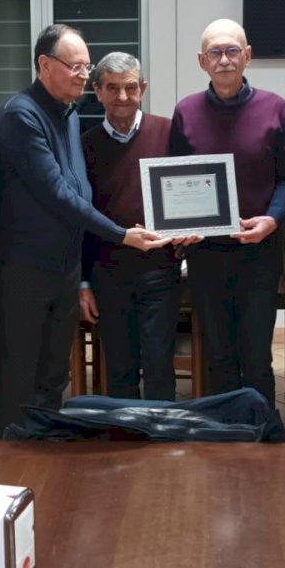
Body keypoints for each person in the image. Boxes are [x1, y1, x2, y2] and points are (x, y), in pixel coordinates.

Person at [0, 25, 167, 436]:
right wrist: (121, 234)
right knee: (19, 375)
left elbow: (78, 186)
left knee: (54, 374)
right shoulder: (21, 115)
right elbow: (58, 194)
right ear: (44, 65)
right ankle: (10, 457)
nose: (83, 75)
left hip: (64, 268)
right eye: (75, 66)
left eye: (86, 67)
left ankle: (43, 450)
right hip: (26, 270)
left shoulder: (68, 112)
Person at [169, 18, 285, 405]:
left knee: (256, 355)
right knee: (218, 354)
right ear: (201, 61)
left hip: (259, 253)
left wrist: (272, 220)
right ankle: (225, 431)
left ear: (248, 56)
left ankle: (260, 430)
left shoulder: (275, 108)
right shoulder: (186, 111)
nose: (224, 59)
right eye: (215, 52)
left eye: (232, 50)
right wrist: (180, 225)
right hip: (206, 255)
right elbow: (175, 180)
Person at [80, 52, 182, 401]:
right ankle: (125, 432)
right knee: (119, 368)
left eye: (130, 88)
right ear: (97, 91)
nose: (122, 97)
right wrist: (84, 282)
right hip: (108, 275)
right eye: (112, 88)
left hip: (160, 270)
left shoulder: (169, 132)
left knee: (159, 364)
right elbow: (82, 219)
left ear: (143, 88)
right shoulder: (85, 145)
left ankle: (160, 434)